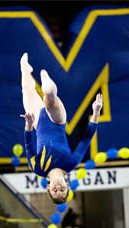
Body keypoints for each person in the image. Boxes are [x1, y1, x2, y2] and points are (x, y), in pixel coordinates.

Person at [20, 53, 103, 204]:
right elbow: (86, 140)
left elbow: (29, 146)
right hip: (57, 121)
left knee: (26, 88)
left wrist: (29, 125)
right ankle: (47, 84)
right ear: (67, 185)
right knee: (50, 100)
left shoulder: (38, 169)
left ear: (49, 187)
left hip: (38, 122)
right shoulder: (70, 163)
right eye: (62, 190)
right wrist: (96, 112)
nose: (59, 187)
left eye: (55, 190)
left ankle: (27, 69)